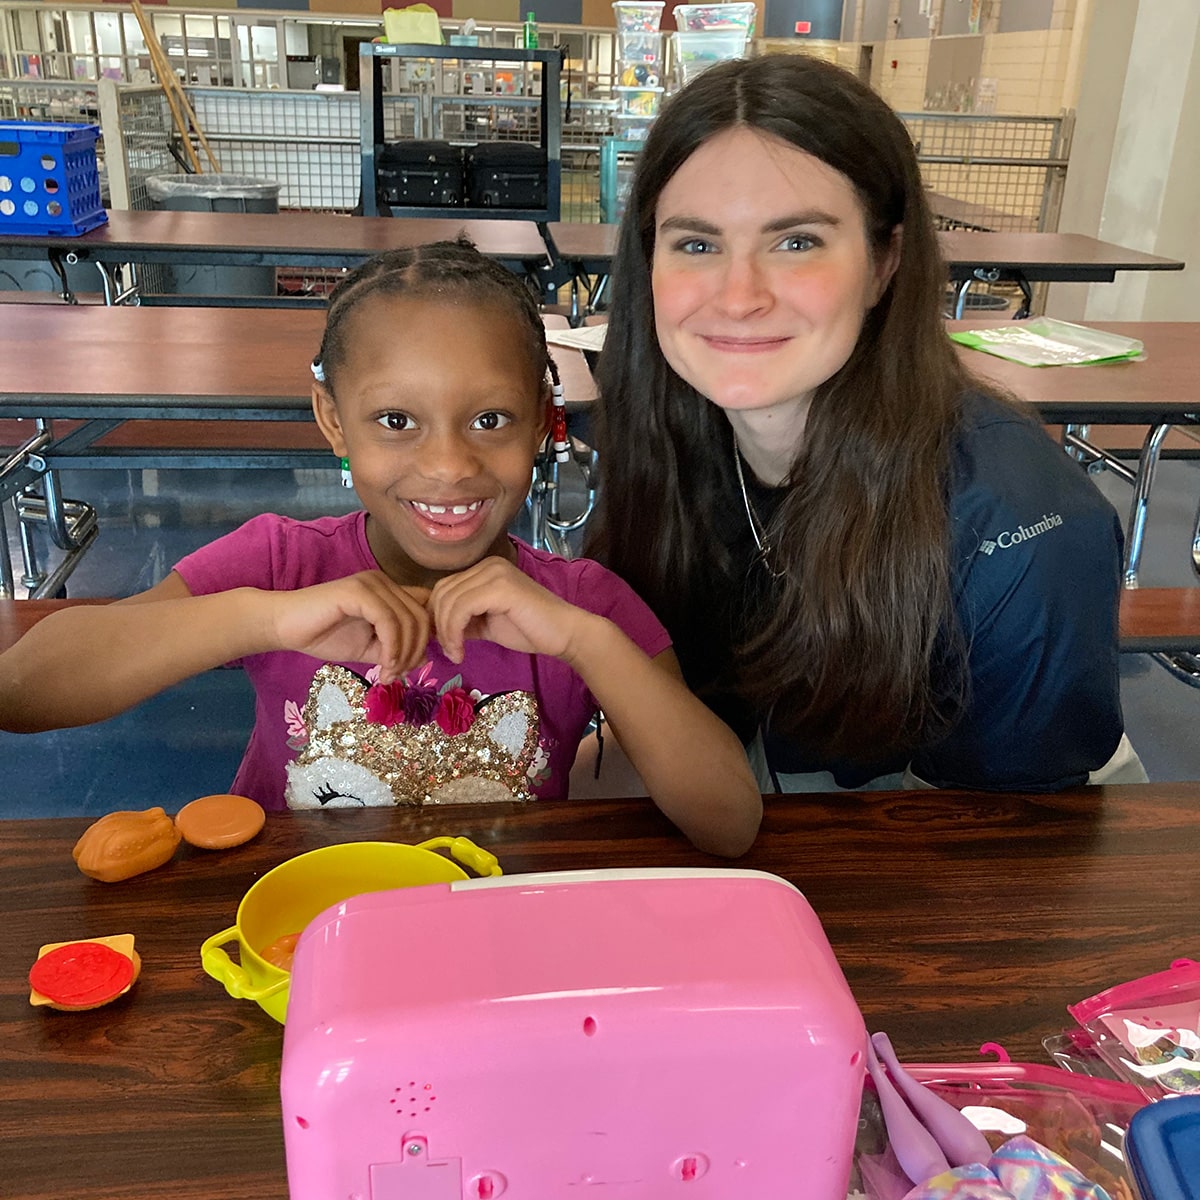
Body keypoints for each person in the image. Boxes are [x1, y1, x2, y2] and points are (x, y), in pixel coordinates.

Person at [0, 240, 761, 856]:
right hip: (295, 942)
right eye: (396, 421)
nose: (449, 466)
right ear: (333, 419)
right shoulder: (278, 566)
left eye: (490, 420)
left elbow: (728, 821)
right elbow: (24, 691)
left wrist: (583, 643)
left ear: (541, 419)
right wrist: (264, 619)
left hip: (492, 940)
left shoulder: (585, 605)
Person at [588, 55, 1145, 793]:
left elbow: (1012, 847)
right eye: (697, 244)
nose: (739, 295)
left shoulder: (1016, 534)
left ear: (885, 262)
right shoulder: (673, 441)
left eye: (797, 242)